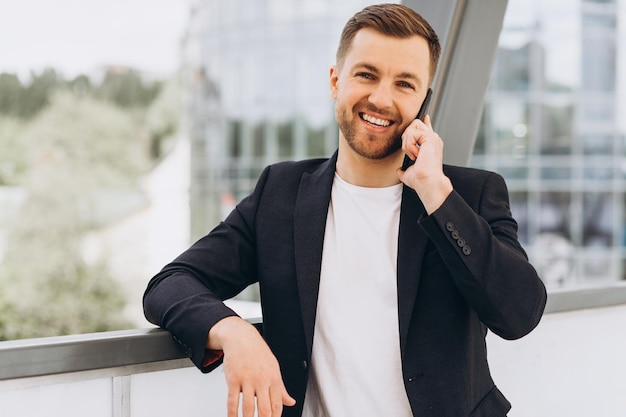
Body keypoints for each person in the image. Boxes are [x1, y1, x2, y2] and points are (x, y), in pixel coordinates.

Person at [143, 4, 547, 417]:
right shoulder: (280, 195)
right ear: (336, 81)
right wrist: (234, 332)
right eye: (366, 74)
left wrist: (436, 193)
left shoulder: (468, 195)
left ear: (425, 101)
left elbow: (519, 314)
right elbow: (170, 284)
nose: (381, 98)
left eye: (404, 84)